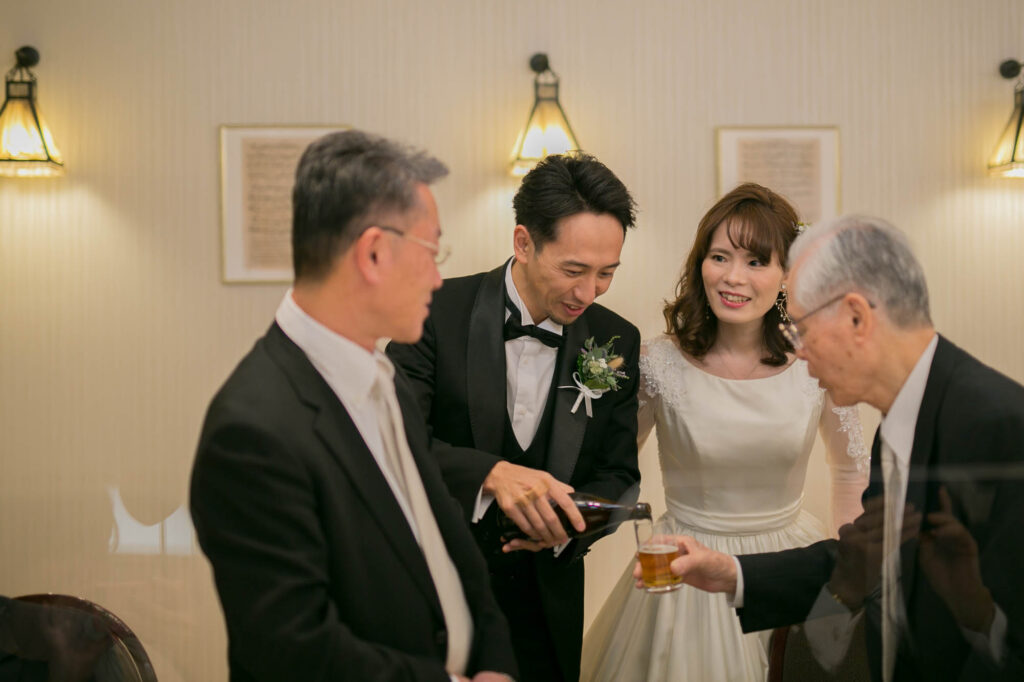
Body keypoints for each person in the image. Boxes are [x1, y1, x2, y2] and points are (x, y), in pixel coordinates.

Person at [190, 130, 517, 682]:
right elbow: (291, 648)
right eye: (431, 252)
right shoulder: (252, 429)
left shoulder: (385, 378)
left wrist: (495, 664)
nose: (437, 278)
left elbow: (447, 544)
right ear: (373, 253)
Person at [645, 215, 1024, 680]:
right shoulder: (903, 419)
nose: (798, 352)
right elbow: (869, 556)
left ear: (856, 318)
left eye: (801, 329)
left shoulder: (999, 428)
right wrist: (732, 572)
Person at [580, 183, 869, 681]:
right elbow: (610, 467)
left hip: (790, 566)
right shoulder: (657, 364)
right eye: (719, 257)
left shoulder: (818, 359)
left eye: (756, 261)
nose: (734, 277)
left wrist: (853, 571)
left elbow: (849, 469)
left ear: (787, 274)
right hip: (685, 569)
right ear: (700, 264)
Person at [387, 152, 641, 682]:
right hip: (438, 595)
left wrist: (568, 526)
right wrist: (490, 474)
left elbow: (620, 476)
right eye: (573, 270)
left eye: (606, 273)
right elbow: (392, 441)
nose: (588, 293)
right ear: (523, 242)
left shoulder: (615, 339)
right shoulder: (433, 311)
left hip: (548, 612)